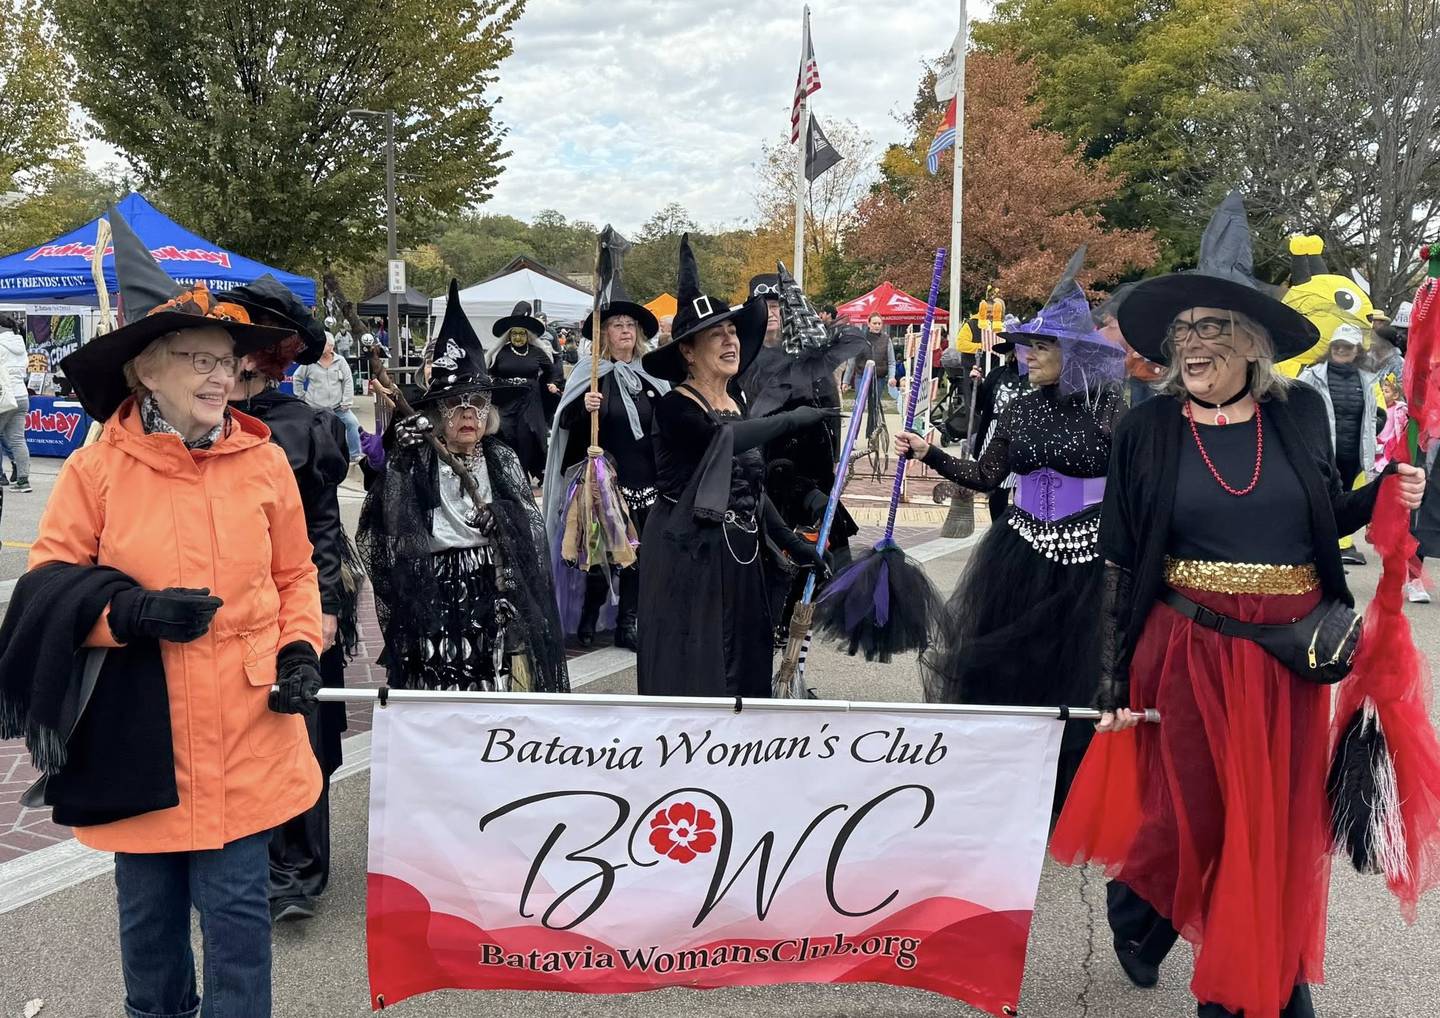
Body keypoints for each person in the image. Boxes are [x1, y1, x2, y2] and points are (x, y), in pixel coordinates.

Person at [1057, 262, 1427, 1018]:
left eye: (1211, 328)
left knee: (1272, 825)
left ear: (1252, 344)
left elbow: (1326, 513)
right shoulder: (1147, 429)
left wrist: (1389, 488)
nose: (1192, 344)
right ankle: (1140, 914)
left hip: (1288, 659)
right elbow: (1121, 563)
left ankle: (1259, 984)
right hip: (1189, 652)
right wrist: (1111, 684)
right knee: (1189, 816)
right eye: (1182, 332)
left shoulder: (1296, 416)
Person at [23, 204, 323, 1018]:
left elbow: (297, 573)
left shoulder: (263, 461)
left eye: (227, 359)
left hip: (246, 725)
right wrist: (129, 616)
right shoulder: (97, 470)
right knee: (148, 926)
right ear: (146, 371)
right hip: (137, 734)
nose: (220, 374)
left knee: (236, 922)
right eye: (197, 357)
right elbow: (47, 585)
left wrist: (301, 650)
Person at [894, 257, 1126, 815]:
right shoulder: (1019, 409)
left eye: (1042, 347)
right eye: (1028, 346)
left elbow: (1130, 489)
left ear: (1073, 354)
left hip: (1084, 559)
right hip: (1019, 552)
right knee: (1009, 670)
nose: (1029, 356)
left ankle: (1067, 797)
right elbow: (986, 476)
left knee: (1076, 678)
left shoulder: (1111, 412)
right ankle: (1008, 790)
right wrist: (931, 453)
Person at [636, 236, 830, 697]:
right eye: (716, 335)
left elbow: (746, 484)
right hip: (689, 555)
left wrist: (787, 540)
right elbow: (720, 442)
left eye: (733, 332)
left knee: (744, 659)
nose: (730, 340)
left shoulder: (734, 400)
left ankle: (738, 757)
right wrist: (787, 420)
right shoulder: (675, 407)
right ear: (687, 350)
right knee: (698, 664)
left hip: (739, 552)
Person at [223, 275, 359, 923]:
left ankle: (299, 870)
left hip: (294, 602)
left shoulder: (306, 427)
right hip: (221, 610)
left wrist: (327, 609)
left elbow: (325, 527)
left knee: (300, 727)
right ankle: (241, 857)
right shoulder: (197, 423)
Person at [359, 280, 567, 694]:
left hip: (489, 585)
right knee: (439, 678)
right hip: (434, 583)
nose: (467, 414)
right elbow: (387, 523)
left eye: (478, 404)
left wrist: (503, 518)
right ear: (438, 413)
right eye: (456, 405)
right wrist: (400, 461)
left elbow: (529, 522)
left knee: (492, 676)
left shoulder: (500, 457)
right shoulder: (419, 456)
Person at [739, 268, 867, 642]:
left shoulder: (810, 357)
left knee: (813, 552)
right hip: (764, 470)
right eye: (766, 306)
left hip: (809, 470)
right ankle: (769, 631)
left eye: (778, 305)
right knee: (770, 554)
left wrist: (834, 460)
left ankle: (797, 640)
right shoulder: (743, 359)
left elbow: (830, 410)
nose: (773, 313)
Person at [543, 271, 669, 650]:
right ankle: (587, 616)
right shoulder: (590, 375)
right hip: (602, 480)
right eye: (617, 324)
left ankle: (628, 622)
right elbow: (564, 423)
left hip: (644, 477)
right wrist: (584, 407)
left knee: (636, 555)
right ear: (604, 334)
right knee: (597, 553)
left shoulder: (652, 375)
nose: (626, 331)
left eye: (631, 325)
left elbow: (665, 422)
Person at [1297, 323, 1384, 565]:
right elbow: (1296, 406)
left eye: (1347, 346)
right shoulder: (1312, 374)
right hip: (1321, 454)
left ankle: (1332, 553)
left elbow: (1374, 412)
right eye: (1337, 345)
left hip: (1352, 455)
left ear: (1357, 350)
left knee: (1342, 502)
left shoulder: (1367, 379)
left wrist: (1376, 425)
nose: (1341, 350)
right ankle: (1313, 552)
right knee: (1318, 501)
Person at [489, 301, 563, 484]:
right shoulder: (501, 353)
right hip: (507, 400)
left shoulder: (537, 352)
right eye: (514, 334)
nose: (518, 338)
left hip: (530, 400)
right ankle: (510, 473)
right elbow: (491, 373)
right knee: (506, 432)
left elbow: (552, 370)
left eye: (522, 334)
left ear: (527, 335)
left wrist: (552, 384)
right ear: (509, 336)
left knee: (527, 434)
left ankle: (524, 474)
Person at [967, 336, 1029, 522]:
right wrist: (975, 384)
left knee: (1024, 490)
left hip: (1026, 440)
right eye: (1021, 349)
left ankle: (1020, 533)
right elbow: (979, 406)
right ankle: (998, 530)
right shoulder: (997, 375)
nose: (1027, 354)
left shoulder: (1040, 378)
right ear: (1014, 352)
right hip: (996, 438)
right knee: (997, 490)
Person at [293, 334, 362, 463]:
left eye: (325, 344)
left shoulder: (340, 361)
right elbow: (297, 378)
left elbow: (348, 381)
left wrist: (347, 400)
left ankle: (355, 454)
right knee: (308, 430)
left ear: (331, 346)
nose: (323, 346)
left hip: (338, 407)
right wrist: (301, 396)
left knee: (352, 423)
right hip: (316, 408)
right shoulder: (311, 361)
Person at [0, 313, 31, 492]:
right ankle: (23, 480)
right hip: (21, 395)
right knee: (18, 439)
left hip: (4, 396)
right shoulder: (20, 344)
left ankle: (2, 477)